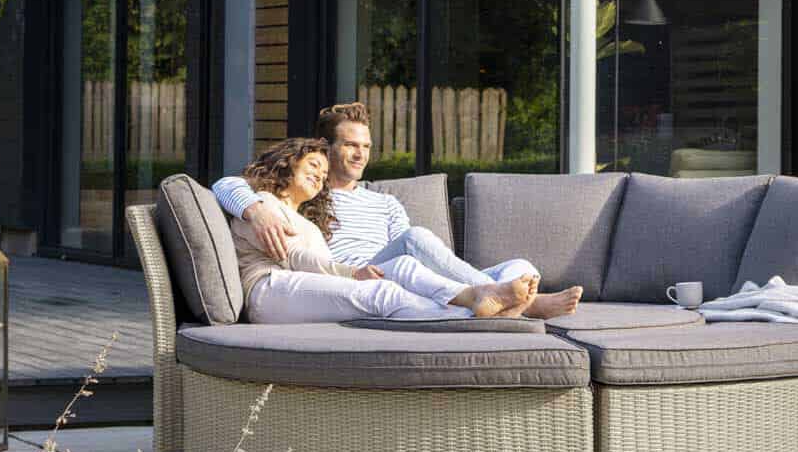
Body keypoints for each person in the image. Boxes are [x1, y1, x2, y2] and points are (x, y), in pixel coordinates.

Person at [214, 102, 582, 319]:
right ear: (324, 147)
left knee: (520, 265)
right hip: (353, 275)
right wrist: (253, 207)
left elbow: (417, 257)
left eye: (367, 146)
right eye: (350, 145)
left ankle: (498, 294)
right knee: (416, 240)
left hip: (398, 272)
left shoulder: (385, 202)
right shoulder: (307, 195)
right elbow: (227, 185)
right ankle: (509, 300)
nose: (361, 154)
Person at [233, 137, 540, 325]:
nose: (319, 175)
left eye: (324, 173)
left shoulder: (307, 221)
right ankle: (479, 316)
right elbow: (295, 258)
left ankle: (479, 296)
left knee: (403, 266)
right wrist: (354, 273)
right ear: (288, 164)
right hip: (268, 291)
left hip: (298, 286)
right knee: (383, 292)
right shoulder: (262, 204)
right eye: (313, 165)